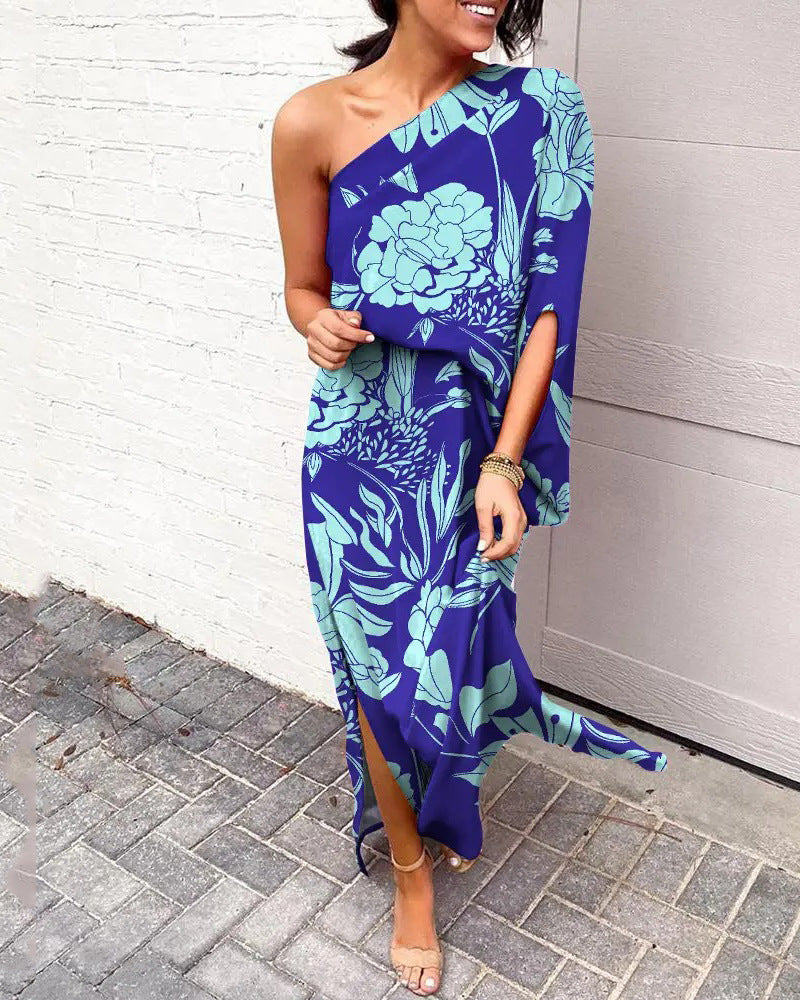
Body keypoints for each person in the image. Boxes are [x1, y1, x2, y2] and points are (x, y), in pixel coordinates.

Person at [272, 1, 668, 994]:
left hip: (474, 444)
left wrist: (507, 463)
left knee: (449, 650)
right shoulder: (311, 121)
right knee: (371, 663)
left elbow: (550, 303)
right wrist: (315, 324)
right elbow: (302, 286)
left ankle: (444, 798)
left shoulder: (544, 110)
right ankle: (409, 869)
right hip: (359, 440)